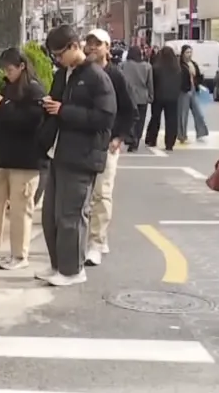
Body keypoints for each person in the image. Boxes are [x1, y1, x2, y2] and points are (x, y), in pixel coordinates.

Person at [38, 25, 115, 287]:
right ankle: (58, 265)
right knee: (50, 215)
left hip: (82, 155)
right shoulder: (63, 75)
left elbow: (105, 118)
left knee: (71, 214)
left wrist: (64, 110)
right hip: (58, 153)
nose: (57, 60)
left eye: (60, 54)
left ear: (74, 46)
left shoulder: (96, 76)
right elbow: (57, 108)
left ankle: (73, 270)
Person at [0, 47, 46, 271]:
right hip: (3, 158)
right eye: (4, 69)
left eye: (10, 69)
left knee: (20, 209)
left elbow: (30, 121)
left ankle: (19, 255)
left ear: (22, 67)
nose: (7, 74)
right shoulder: (9, 88)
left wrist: (3, 106)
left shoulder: (34, 90)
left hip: (26, 161)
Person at [83, 29, 133, 267]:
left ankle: (97, 242)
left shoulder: (116, 76)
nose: (93, 48)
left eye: (98, 44)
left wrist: (119, 137)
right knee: (84, 196)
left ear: (107, 48)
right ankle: (89, 239)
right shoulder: (80, 73)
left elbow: (130, 110)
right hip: (82, 143)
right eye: (89, 43)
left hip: (107, 144)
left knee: (102, 194)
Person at [145, 46, 183, 152]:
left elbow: (152, 82)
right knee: (171, 120)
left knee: (155, 118)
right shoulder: (177, 69)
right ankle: (169, 143)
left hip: (158, 96)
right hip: (172, 98)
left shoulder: (156, 67)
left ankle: (152, 139)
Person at [121, 46, 153, 153]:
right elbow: (150, 83)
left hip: (127, 96)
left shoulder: (123, 65)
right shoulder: (147, 67)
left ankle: (130, 137)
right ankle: (136, 141)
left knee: (129, 119)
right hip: (142, 96)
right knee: (140, 120)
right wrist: (151, 96)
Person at [177, 45, 210, 144]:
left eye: (190, 52)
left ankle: (201, 132)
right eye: (187, 52)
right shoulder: (180, 65)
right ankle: (182, 135)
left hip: (193, 90)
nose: (189, 54)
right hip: (183, 91)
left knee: (198, 113)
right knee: (183, 114)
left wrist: (199, 81)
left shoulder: (193, 64)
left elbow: (198, 76)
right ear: (183, 53)